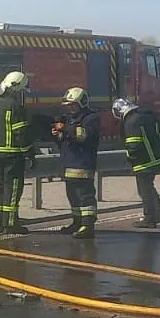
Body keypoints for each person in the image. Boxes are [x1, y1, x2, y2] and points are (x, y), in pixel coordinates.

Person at [0, 71, 38, 234]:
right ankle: (11, 224)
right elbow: (21, 134)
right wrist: (30, 153)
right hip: (13, 156)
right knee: (12, 190)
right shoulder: (15, 106)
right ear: (16, 88)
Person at [111, 97, 160, 228]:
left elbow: (134, 144)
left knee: (145, 191)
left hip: (143, 161)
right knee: (148, 188)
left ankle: (149, 218)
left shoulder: (131, 121)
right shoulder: (143, 116)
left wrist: (130, 157)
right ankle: (158, 214)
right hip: (153, 158)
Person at [52, 87, 101, 239]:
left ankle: (88, 225)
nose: (70, 108)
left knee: (85, 196)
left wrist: (65, 129)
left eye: (73, 105)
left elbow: (84, 135)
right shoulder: (69, 119)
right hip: (68, 164)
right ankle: (77, 222)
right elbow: (65, 140)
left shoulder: (91, 118)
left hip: (82, 164)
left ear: (82, 103)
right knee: (72, 195)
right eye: (68, 106)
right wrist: (58, 134)